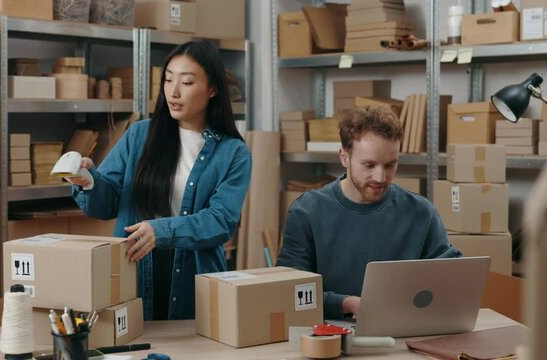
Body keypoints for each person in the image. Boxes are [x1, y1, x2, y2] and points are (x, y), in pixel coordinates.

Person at [66, 40, 252, 320]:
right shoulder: (139, 135)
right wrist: (89, 182)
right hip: (134, 271)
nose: (173, 92)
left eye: (187, 83)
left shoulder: (234, 153)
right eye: (168, 80)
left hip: (194, 281)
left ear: (213, 89)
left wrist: (161, 231)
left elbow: (221, 221)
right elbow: (106, 206)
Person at [276, 106, 460, 320]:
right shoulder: (307, 211)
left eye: (390, 165)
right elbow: (289, 290)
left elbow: (449, 282)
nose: (380, 177)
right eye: (369, 165)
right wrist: (348, 304)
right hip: (328, 333)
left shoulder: (421, 213)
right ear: (344, 157)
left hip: (403, 333)